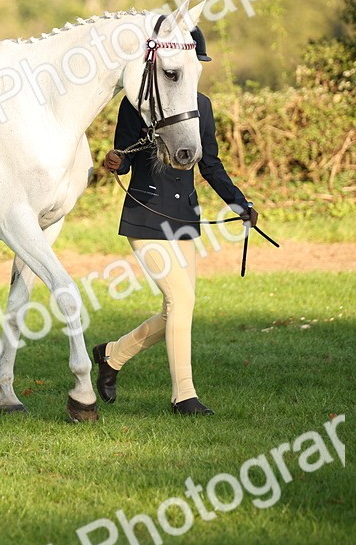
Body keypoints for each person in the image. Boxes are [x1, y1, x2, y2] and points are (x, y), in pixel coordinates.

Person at [91, 26, 257, 416]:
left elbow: (210, 164)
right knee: (181, 299)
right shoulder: (136, 104)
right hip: (145, 216)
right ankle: (184, 396)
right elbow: (126, 156)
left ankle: (112, 356)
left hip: (184, 217)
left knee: (177, 309)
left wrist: (239, 202)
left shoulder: (203, 105)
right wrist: (116, 160)